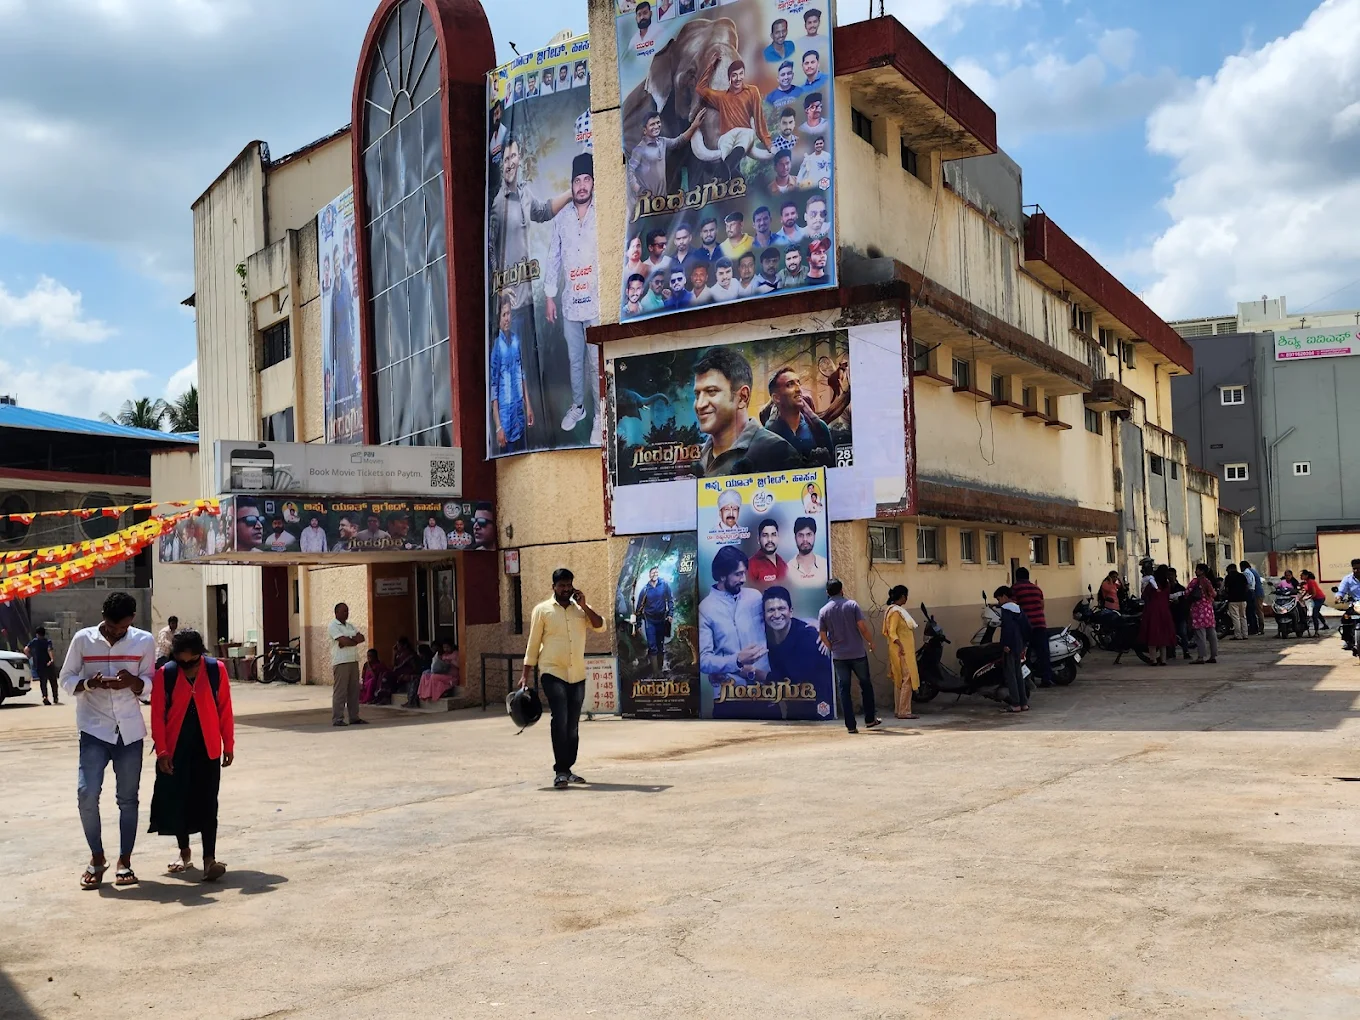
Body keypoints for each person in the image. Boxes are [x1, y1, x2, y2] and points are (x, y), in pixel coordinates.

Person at [60, 590, 156, 889]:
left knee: (128, 799)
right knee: (86, 794)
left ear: (132, 620)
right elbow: (66, 678)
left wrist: (134, 682)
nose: (116, 632)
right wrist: (89, 683)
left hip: (129, 731)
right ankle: (97, 856)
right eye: (112, 627)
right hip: (93, 729)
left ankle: (125, 861)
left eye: (123, 627)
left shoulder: (144, 641)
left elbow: (151, 683)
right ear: (103, 617)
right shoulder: (83, 639)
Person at [148, 629, 233, 883]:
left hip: (207, 748)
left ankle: (209, 860)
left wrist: (228, 744)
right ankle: (184, 852)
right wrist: (162, 751)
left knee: (209, 803)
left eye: (192, 662)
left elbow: (225, 709)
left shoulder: (216, 670)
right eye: (182, 662)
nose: (187, 667)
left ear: (201, 655)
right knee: (179, 802)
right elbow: (157, 716)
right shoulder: (166, 674)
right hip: (175, 750)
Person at [521, 568, 605, 789]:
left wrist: (585, 605)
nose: (566, 589)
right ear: (553, 587)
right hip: (552, 671)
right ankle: (560, 770)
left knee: (572, 724)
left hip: (577, 674)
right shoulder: (542, 610)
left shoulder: (580, 610)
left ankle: (567, 768)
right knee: (560, 718)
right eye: (561, 586)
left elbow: (600, 626)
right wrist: (525, 674)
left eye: (569, 585)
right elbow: (533, 643)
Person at [545, 152, 602, 438]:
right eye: (577, 181)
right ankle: (578, 406)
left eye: (586, 179)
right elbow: (553, 257)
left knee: (595, 360)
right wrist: (549, 296)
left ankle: (600, 416)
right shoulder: (562, 218)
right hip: (569, 304)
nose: (581, 186)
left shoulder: (601, 213)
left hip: (596, 304)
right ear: (571, 184)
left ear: (593, 182)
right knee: (575, 359)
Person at [691, 347, 802, 476]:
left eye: (711, 391)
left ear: (743, 397)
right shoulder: (697, 457)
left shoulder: (777, 452)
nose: (700, 405)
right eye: (697, 394)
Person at [699, 546, 769, 712]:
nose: (743, 579)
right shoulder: (706, 608)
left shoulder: (755, 597)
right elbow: (704, 660)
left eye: (744, 573)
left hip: (765, 692)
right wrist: (736, 660)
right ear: (722, 575)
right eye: (738, 574)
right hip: (728, 696)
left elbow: (779, 618)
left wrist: (814, 624)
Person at [695, 54, 774, 174]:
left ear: (744, 74)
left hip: (744, 134)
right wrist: (712, 65)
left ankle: (722, 172)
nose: (738, 78)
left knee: (748, 133)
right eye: (734, 75)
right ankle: (725, 172)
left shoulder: (752, 92)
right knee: (727, 153)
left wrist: (768, 144)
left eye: (741, 74)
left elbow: (759, 120)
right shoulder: (721, 97)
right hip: (727, 137)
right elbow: (700, 88)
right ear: (729, 78)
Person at [818, 579, 879, 733]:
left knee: (844, 690)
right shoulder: (852, 605)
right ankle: (870, 719)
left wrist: (832, 647)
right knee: (866, 685)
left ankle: (851, 726)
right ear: (842, 590)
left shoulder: (824, 611)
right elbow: (862, 627)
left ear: (827, 593)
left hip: (839, 656)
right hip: (857, 653)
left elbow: (822, 635)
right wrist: (871, 641)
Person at [763, 366, 834, 467]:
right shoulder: (767, 436)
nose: (799, 389)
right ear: (776, 398)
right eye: (790, 384)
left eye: (798, 383)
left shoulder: (819, 427)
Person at [490, 294, 535, 451]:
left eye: (509, 313)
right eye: (503, 315)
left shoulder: (516, 341)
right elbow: (493, 389)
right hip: (505, 424)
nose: (507, 319)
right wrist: (498, 427)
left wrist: (528, 407)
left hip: (519, 418)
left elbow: (522, 375)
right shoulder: (496, 348)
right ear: (498, 319)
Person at [627, 110, 703, 200]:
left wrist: (694, 126)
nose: (656, 126)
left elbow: (679, 142)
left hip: (662, 200)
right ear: (644, 130)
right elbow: (630, 171)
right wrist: (640, 191)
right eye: (652, 124)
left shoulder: (662, 142)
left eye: (658, 122)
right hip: (647, 201)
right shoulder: (639, 150)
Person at [762, 586, 827, 687]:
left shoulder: (808, 636)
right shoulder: (763, 635)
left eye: (781, 608)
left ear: (791, 612)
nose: (777, 615)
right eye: (771, 610)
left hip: (818, 693)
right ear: (764, 615)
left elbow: (796, 681)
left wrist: (760, 675)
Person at [1010, 567, 1053, 687]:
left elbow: (1013, 606)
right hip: (1040, 623)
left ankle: (1029, 679)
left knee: (1025, 654)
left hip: (1026, 626)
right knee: (1043, 653)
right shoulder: (1036, 588)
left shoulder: (1015, 589)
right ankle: (1046, 678)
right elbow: (1042, 605)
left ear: (1017, 577)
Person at [882, 585, 920, 720]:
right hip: (901, 651)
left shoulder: (895, 610)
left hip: (902, 650)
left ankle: (899, 710)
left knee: (900, 679)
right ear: (903, 596)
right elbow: (891, 632)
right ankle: (904, 711)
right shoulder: (895, 612)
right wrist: (900, 645)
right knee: (907, 678)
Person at [994, 585, 1031, 713]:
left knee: (1011, 675)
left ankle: (1015, 703)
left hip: (1010, 645)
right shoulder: (1018, 609)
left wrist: (1005, 644)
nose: (999, 602)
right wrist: (1024, 644)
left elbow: (1007, 628)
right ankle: (1023, 703)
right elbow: (1027, 627)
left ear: (1004, 596)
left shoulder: (1006, 610)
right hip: (1019, 644)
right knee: (1019, 674)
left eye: (999, 599)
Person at [328, 602, 366, 727]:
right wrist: (351, 640)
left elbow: (361, 638)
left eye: (347, 611)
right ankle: (337, 718)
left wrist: (349, 640)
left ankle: (354, 717)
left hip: (353, 660)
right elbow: (343, 641)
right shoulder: (333, 626)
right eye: (344, 611)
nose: (346, 613)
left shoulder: (350, 625)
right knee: (340, 691)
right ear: (336, 612)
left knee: (354, 691)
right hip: (341, 662)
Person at [634, 566, 674, 678]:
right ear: (649, 575)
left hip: (662, 620)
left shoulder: (664, 585)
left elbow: (670, 600)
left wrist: (670, 614)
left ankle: (660, 670)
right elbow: (639, 608)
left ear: (658, 573)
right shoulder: (645, 590)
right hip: (649, 621)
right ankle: (655, 672)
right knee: (652, 646)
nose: (654, 574)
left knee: (660, 645)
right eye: (652, 573)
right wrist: (638, 624)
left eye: (656, 572)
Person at [1140, 565, 1177, 665]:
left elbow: (1144, 596)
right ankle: (1163, 660)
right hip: (1164, 611)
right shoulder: (1167, 584)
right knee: (1163, 636)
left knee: (1152, 635)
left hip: (1152, 611)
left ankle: (1153, 659)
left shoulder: (1152, 584)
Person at [1189, 564, 1219, 664]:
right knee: (1211, 633)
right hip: (1208, 610)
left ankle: (1201, 657)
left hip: (1198, 610)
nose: (1195, 571)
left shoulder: (1195, 581)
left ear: (1201, 571)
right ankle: (1213, 655)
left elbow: (1187, 593)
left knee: (1200, 634)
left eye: (1197, 570)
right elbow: (1214, 594)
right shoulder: (1207, 581)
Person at [749, 519, 788, 586]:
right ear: (758, 539)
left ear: (778, 538)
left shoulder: (783, 564)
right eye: (765, 535)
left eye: (773, 535)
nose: (770, 539)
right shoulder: (751, 565)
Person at [25, 626, 58, 705]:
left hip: (39, 665)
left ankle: (45, 697)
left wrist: (30, 657)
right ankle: (55, 697)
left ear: (37, 634)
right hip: (48, 664)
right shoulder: (48, 641)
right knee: (53, 682)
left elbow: (26, 649)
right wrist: (52, 659)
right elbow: (49, 649)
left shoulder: (35, 641)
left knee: (43, 682)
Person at [1167, 567, 1194, 660]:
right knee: (1170, 634)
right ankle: (1171, 652)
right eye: (1168, 575)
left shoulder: (1181, 588)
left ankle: (1185, 651)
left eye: (1172, 575)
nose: (1170, 577)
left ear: (1175, 576)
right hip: (1169, 615)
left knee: (1183, 633)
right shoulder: (1165, 589)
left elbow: (1185, 602)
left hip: (1180, 615)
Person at [789, 516, 825, 585]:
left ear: (814, 536)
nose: (805, 539)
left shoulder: (824, 565)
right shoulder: (788, 569)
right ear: (795, 537)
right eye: (800, 535)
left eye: (809, 534)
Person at [1336, 558, 1360, 649]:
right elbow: (1341, 591)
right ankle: (1348, 640)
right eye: (1354, 568)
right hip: (1355, 605)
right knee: (1345, 618)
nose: (1357, 570)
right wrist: (1339, 597)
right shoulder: (1347, 579)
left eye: (1359, 568)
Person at [1223, 563, 1250, 640]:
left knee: (1235, 618)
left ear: (1230, 569)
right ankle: (1245, 634)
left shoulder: (1228, 577)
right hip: (1243, 599)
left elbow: (1226, 589)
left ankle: (1238, 635)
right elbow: (1247, 587)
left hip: (1233, 600)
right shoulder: (1242, 576)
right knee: (1243, 617)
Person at [1302, 570, 1329, 635]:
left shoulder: (1311, 582)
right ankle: (1325, 624)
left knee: (1314, 615)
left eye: (1302, 575)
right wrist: (1301, 597)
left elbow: (1314, 593)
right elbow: (1307, 591)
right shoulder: (1307, 582)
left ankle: (1316, 632)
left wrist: (1307, 598)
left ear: (1306, 576)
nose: (1301, 576)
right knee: (1317, 612)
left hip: (1319, 598)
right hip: (1316, 599)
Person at [1241, 560, 1263, 635]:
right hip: (1256, 592)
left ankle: (1259, 628)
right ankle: (1258, 628)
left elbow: (1249, 583)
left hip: (1256, 592)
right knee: (1255, 611)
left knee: (1256, 611)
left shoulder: (1247, 572)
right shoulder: (1252, 571)